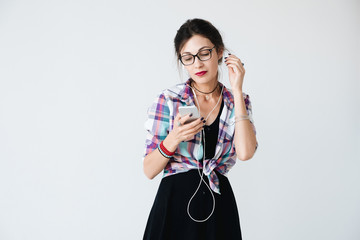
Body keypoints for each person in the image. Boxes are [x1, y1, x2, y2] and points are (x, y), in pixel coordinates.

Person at [142, 18, 258, 240]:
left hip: (218, 207)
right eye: (188, 58)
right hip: (174, 205)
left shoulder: (238, 101)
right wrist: (174, 138)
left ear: (220, 52)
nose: (197, 64)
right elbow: (148, 170)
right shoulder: (169, 100)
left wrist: (236, 90)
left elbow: (245, 153)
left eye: (204, 53)